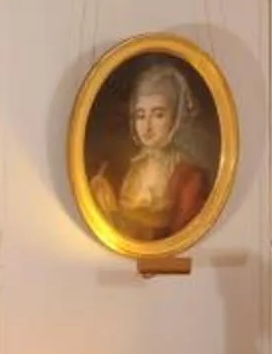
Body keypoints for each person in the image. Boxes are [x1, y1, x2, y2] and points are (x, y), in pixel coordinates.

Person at [88, 56, 211, 245]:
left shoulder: (189, 176)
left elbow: (175, 236)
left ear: (176, 118)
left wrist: (119, 215)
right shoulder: (133, 167)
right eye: (140, 115)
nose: (147, 126)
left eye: (158, 115)